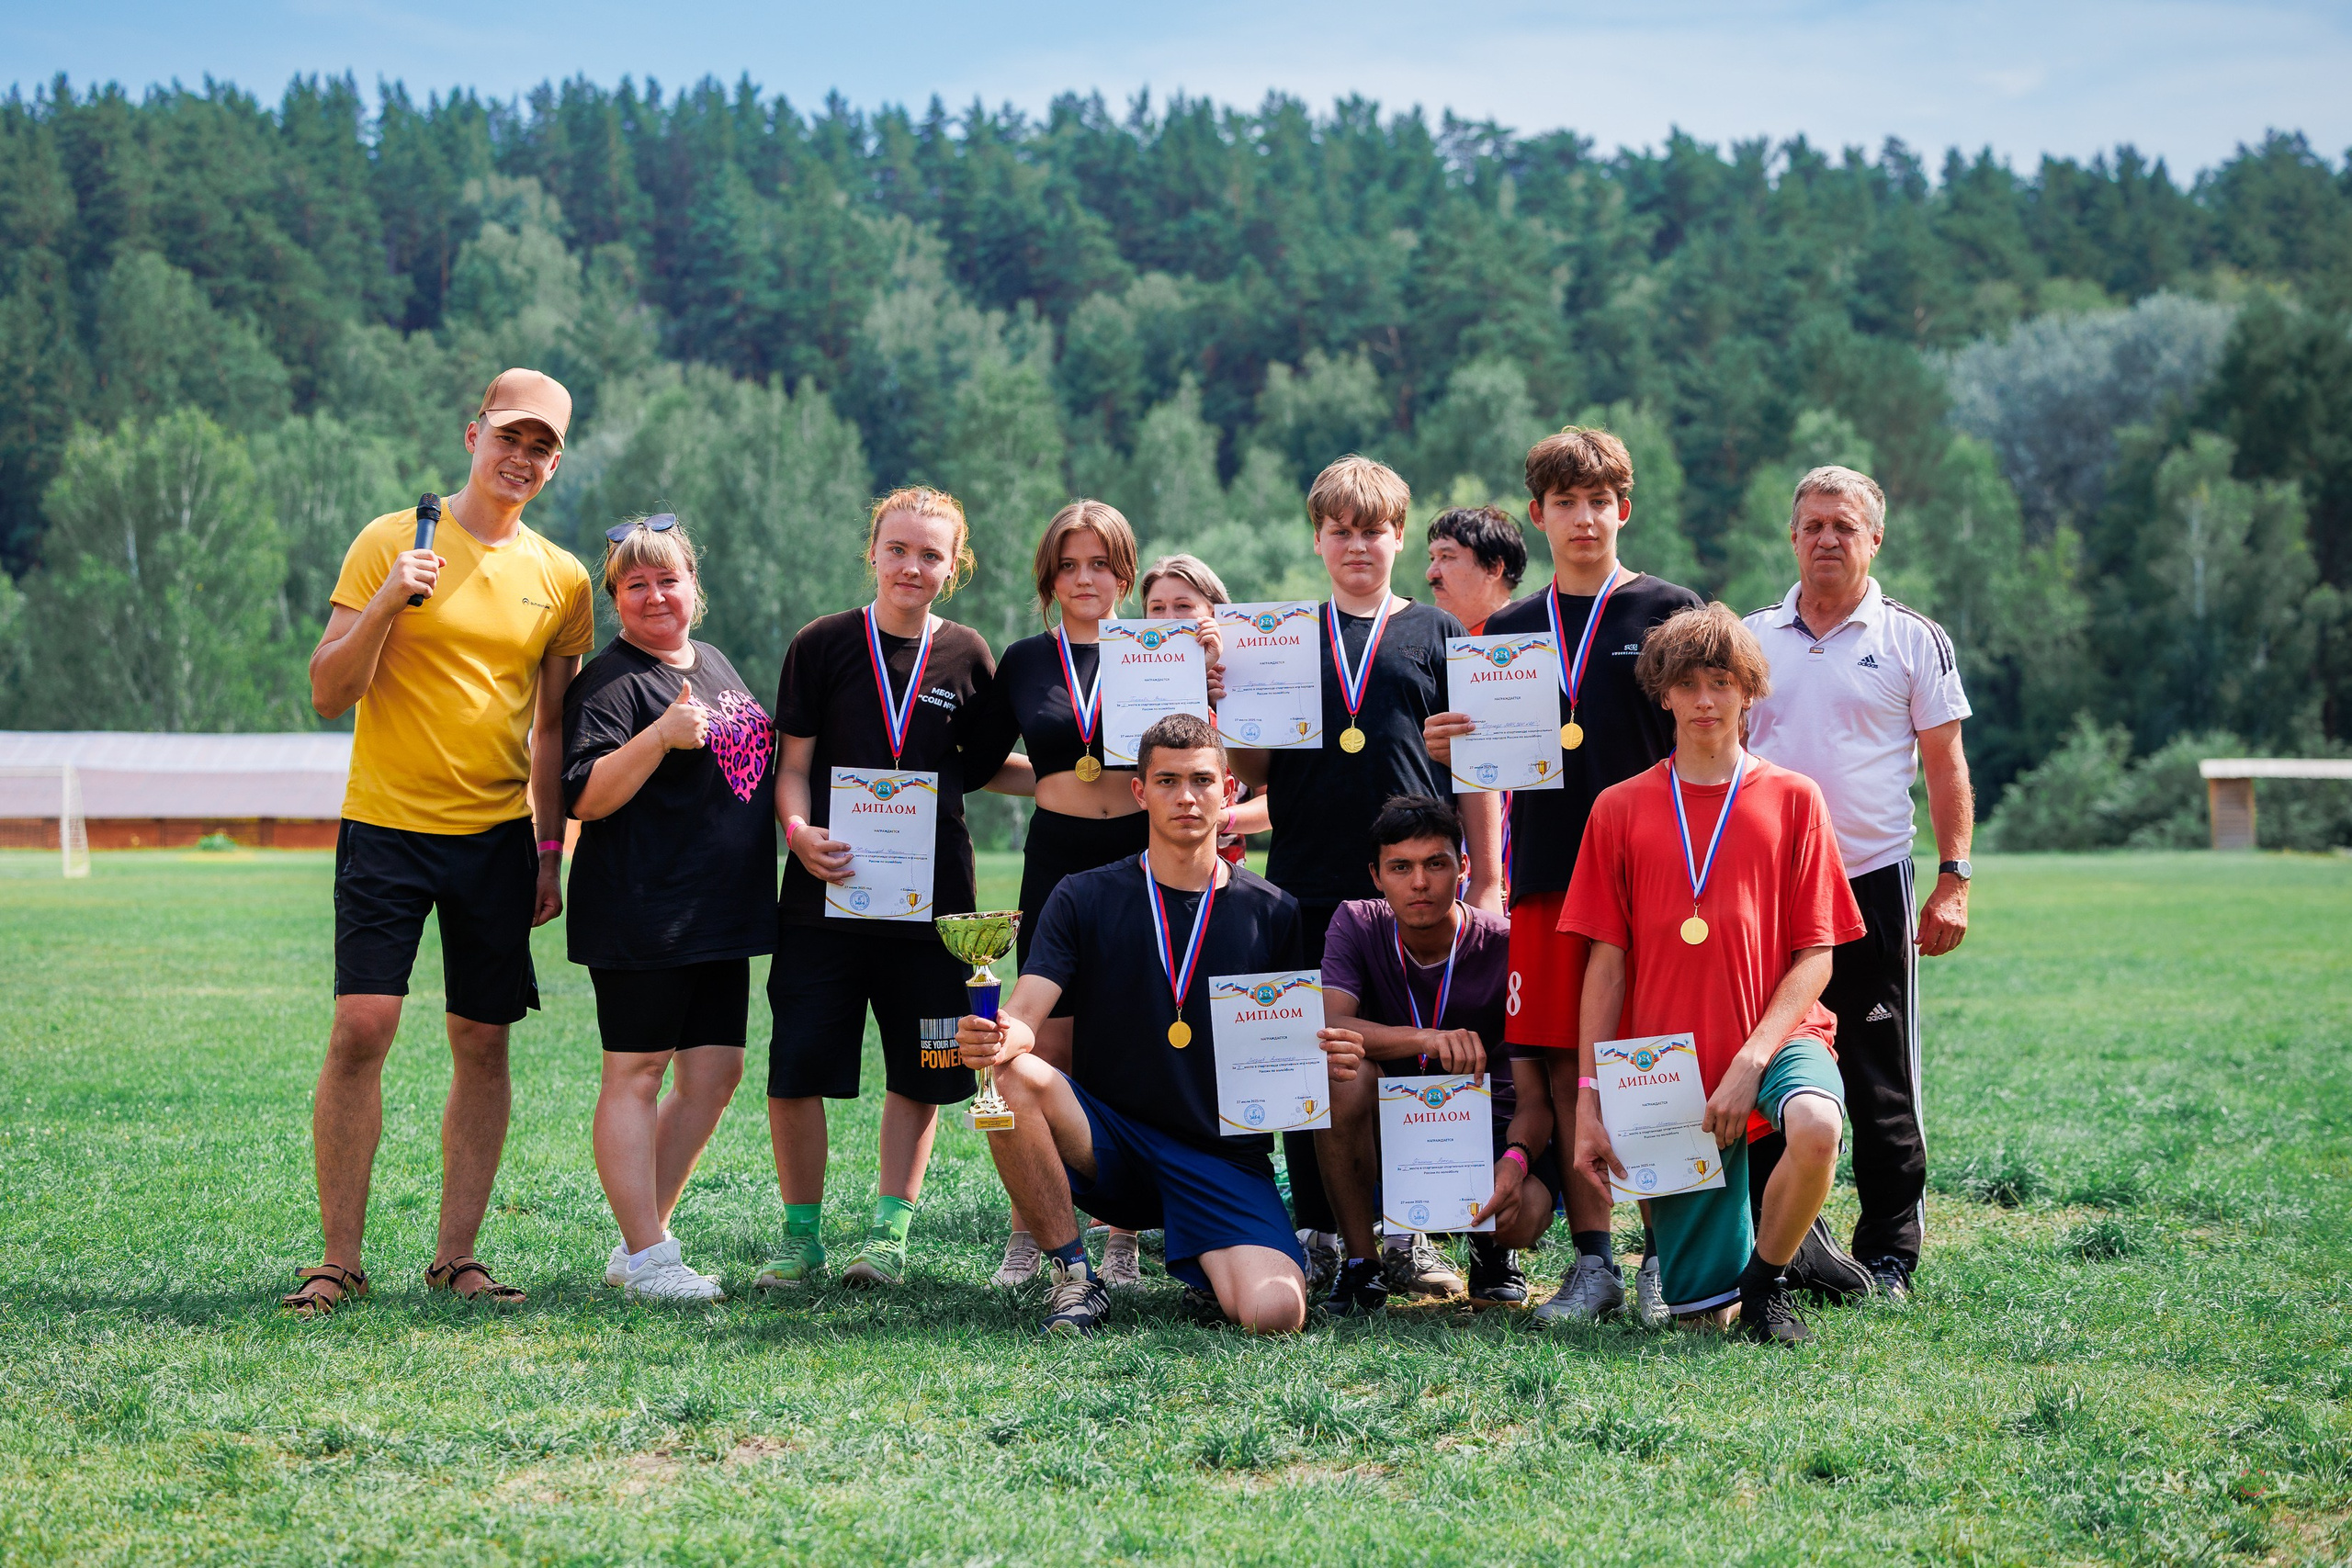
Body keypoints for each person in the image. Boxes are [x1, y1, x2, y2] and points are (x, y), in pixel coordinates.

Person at [285, 368, 594, 1314]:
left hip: (498, 838)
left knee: (483, 1041)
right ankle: (339, 1257)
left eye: (541, 447)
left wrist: (552, 848)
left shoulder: (563, 578)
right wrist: (387, 599)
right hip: (386, 825)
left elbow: (552, 730)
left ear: (555, 462)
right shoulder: (390, 540)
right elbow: (328, 691)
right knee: (360, 1028)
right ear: (472, 435)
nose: (522, 459)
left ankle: (457, 1256)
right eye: (509, 437)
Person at [956, 713, 1366, 1336]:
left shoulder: (1273, 910)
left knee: (1276, 1313)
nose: (1185, 797)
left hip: (1221, 1157)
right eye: (1167, 780)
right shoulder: (1082, 895)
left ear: (1230, 792)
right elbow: (1029, 1007)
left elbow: (1282, 1049)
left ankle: (1209, 1262)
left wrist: (1319, 1062)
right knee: (1012, 1078)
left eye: (1202, 780)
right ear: (1139, 791)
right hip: (1110, 1141)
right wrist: (999, 1034)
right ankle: (1074, 1278)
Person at [1423, 427, 1701, 1325]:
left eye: (1600, 501)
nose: (1584, 519)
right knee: (1554, 1067)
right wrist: (1451, 753)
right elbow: (1484, 773)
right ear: (1537, 515)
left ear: (1623, 508)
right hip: (1547, 880)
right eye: (1565, 502)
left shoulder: (1669, 614)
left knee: (1648, 1064)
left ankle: (1666, 1257)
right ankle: (1594, 1264)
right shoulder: (1504, 631)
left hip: (1653, 883)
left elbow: (1708, 744)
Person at [1231, 454, 1501, 1302]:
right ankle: (1318, 1230)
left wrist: (1487, 878)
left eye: (1374, 530)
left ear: (1398, 537)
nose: (1357, 544)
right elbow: (1250, 765)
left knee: (1408, 1058)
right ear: (1317, 538)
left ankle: (1408, 1229)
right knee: (1317, 1064)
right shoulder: (1278, 637)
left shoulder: (1438, 634)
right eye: (1340, 530)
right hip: (1304, 881)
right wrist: (1228, 702)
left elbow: (1478, 770)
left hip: (1412, 891)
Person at [1563, 604, 1866, 1344]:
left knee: (1818, 1124)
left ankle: (1770, 1282)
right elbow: (1605, 968)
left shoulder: (1796, 799)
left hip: (1775, 1037)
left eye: (1721, 682)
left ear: (1749, 691)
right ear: (1662, 693)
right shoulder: (1618, 807)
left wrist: (1752, 1058)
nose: (1705, 700)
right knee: (1703, 1323)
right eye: (1688, 683)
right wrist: (1590, 1101)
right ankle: (1726, 1288)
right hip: (1667, 1069)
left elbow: (1817, 952)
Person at [757, 487, 1029, 1291]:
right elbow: (794, 769)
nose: (913, 565)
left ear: (955, 565)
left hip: (934, 907)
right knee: (797, 1069)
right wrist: (800, 835)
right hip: (825, 896)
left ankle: (890, 1236)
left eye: (932, 554)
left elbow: (977, 770)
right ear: (872, 551)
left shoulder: (970, 654)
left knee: (924, 1069)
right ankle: (801, 1237)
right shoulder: (823, 643)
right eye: (899, 548)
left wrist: (1088, 788)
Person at [1743, 465, 1974, 1302]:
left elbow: (1947, 766)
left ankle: (1888, 1254)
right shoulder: (1749, 636)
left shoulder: (1914, 638)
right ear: (1792, 535)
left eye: (1845, 525)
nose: (1828, 539)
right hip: (1763, 895)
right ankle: (1792, 1243)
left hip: (1871, 883)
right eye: (1812, 524)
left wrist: (1954, 876)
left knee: (1881, 1071)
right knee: (1765, 1057)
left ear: (1875, 538)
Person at [562, 515, 773, 1303]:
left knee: (715, 1073)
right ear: (616, 597)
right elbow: (585, 792)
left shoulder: (712, 661)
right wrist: (657, 736)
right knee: (637, 1073)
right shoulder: (610, 682)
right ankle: (651, 1255)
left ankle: (636, 1241)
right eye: (635, 583)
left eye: (668, 579)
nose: (655, 595)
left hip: (721, 913)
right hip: (644, 910)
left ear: (694, 588)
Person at [966, 502, 1154, 1291]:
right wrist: (1048, 784)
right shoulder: (1024, 659)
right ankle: (1031, 1228)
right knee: (1040, 1048)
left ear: (1124, 574)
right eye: (1070, 564)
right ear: (1050, 575)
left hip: (1144, 857)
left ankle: (1125, 1237)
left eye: (1102, 564)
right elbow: (977, 763)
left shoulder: (1157, 650)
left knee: (1135, 1045)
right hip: (1058, 862)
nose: (1086, 578)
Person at [1315, 795, 1557, 1314]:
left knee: (1527, 1215)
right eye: (1400, 867)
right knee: (1338, 1070)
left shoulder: (1507, 944)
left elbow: (1537, 1097)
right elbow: (1332, 1025)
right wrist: (1425, 1038)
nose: (1419, 883)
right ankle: (1362, 1263)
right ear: (1377, 876)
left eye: (1436, 864)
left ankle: (1493, 1252)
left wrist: (1513, 1165)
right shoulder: (1356, 922)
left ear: (1464, 868)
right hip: (1390, 1128)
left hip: (1486, 1134)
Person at [1423, 505, 1526, 634]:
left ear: (1493, 569)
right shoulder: (1428, 644)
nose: (1431, 573)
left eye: (1446, 557)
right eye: (1433, 559)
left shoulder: (1536, 645)